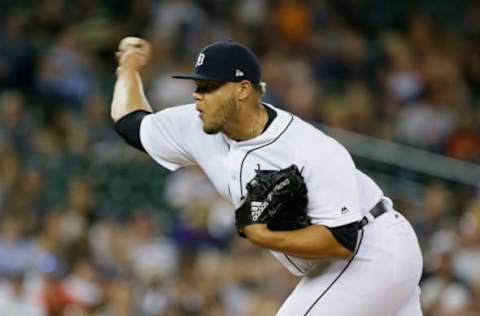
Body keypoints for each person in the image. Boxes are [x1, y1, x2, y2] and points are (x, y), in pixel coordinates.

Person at [111, 37, 424, 315]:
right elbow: (130, 123)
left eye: (209, 87)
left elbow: (342, 241)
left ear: (243, 90)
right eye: (197, 86)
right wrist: (127, 69)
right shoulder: (196, 125)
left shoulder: (307, 148)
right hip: (359, 262)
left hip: (371, 249)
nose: (198, 96)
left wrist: (263, 236)